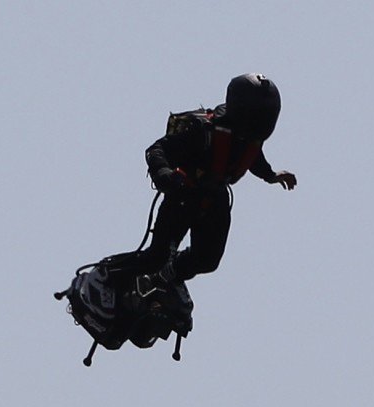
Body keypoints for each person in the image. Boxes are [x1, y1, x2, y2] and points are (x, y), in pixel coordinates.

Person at [104, 73, 297, 295]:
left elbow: (253, 157)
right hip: (184, 195)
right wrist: (165, 173)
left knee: (207, 259)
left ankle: (166, 276)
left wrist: (271, 175)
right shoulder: (204, 131)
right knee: (155, 257)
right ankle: (106, 276)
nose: (260, 124)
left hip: (216, 198)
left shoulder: (249, 138)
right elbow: (157, 150)